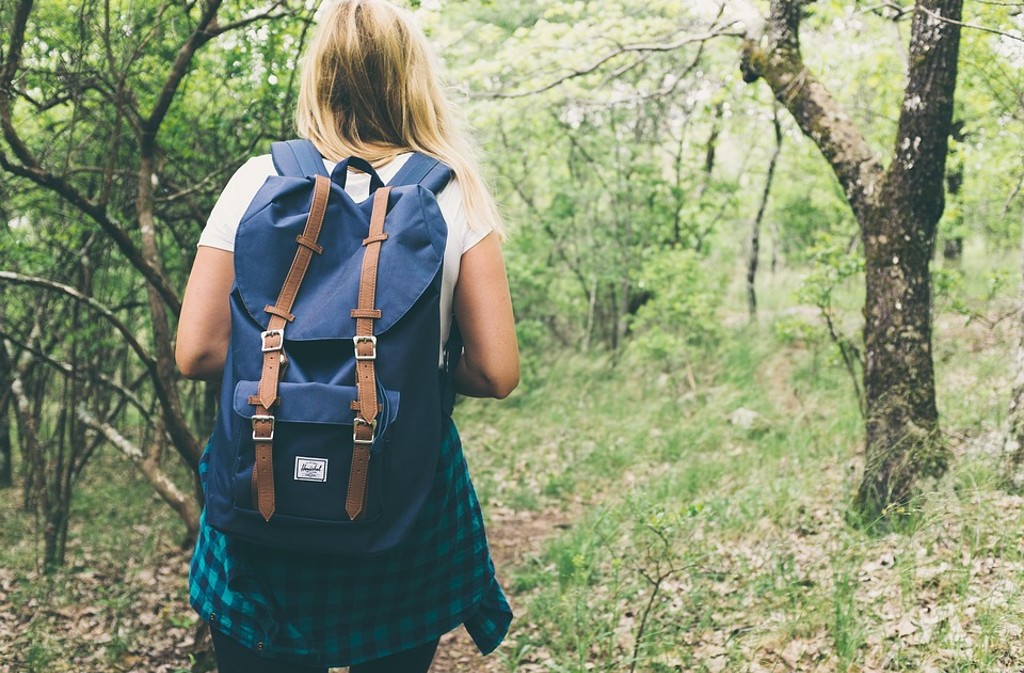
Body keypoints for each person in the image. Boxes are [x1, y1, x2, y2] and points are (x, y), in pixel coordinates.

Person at [175, 1, 520, 671]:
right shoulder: (455, 195)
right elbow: (497, 372)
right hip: (401, 501)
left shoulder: (258, 180)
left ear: (320, 76)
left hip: (264, 494)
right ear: (412, 78)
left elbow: (197, 350)